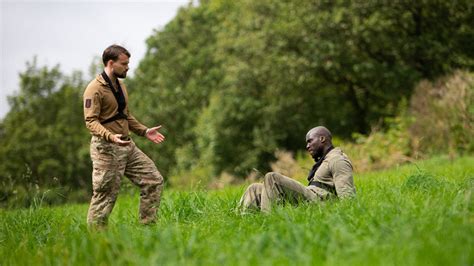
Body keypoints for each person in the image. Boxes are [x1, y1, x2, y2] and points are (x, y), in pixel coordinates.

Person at [83, 44, 165, 226]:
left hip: (127, 146)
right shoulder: (94, 89)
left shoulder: (120, 86)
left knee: (154, 180)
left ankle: (147, 228)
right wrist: (110, 136)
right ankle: (96, 241)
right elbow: (91, 122)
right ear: (111, 63)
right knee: (105, 196)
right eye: (124, 63)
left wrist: (144, 131)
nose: (128, 67)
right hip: (106, 149)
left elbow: (125, 116)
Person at [238, 126, 356, 213]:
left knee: (272, 178)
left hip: (321, 202)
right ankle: (243, 224)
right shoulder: (324, 160)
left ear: (322, 139)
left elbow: (348, 197)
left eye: (310, 141)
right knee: (254, 188)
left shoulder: (337, 160)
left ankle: (269, 223)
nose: (307, 146)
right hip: (311, 195)